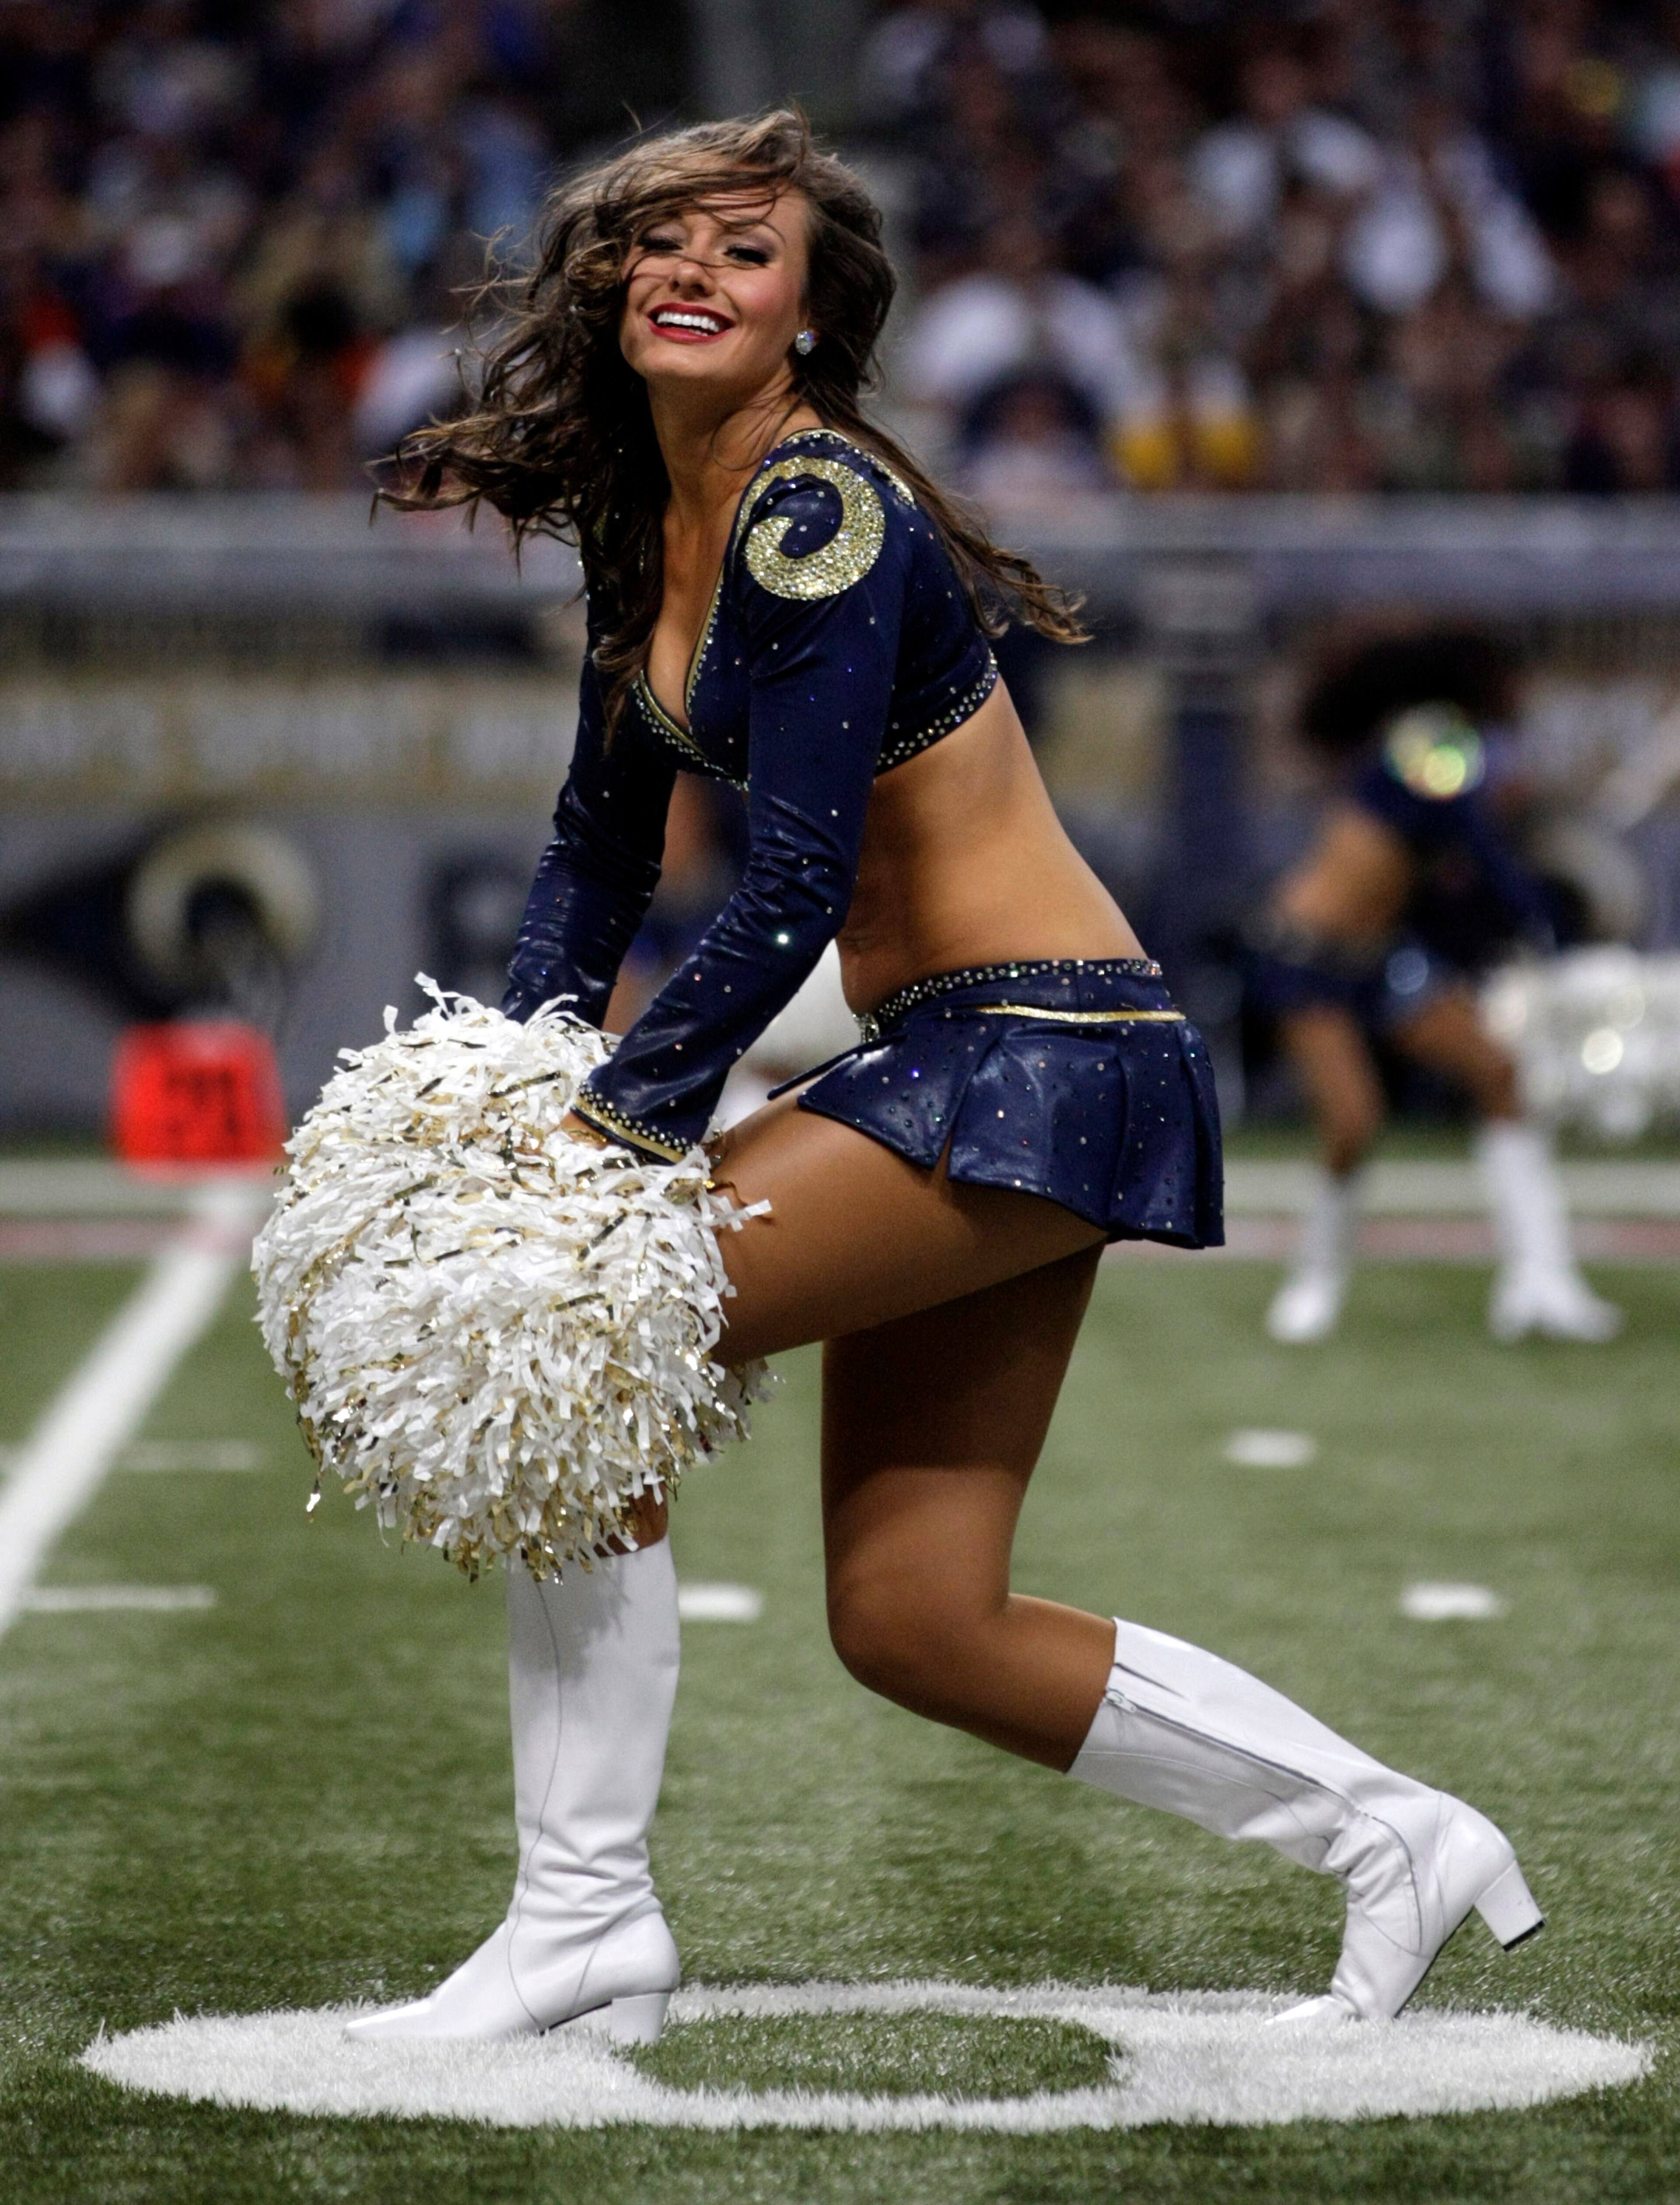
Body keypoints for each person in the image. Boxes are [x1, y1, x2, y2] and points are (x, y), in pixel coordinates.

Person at [346, 113, 1543, 2047]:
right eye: (662, 239)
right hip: (978, 1059)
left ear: (808, 322)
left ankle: (582, 1917)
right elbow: (596, 853)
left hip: (1036, 1048)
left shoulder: (818, 510)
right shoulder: (642, 520)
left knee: (576, 1325)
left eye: (748, 253)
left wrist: (613, 1123)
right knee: (918, 1618)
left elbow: (796, 877)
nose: (695, 271)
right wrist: (507, 1067)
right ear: (603, 277)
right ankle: (1394, 1834)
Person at [1250, 633, 1621, 1346]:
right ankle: (1314, 1284)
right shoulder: (1433, 739)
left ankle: (1540, 1282)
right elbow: (1467, 836)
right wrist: (1543, 915)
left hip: (1382, 957)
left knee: (1499, 1074)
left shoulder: (1452, 749)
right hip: (1307, 958)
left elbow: (1449, 857)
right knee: (1353, 1122)